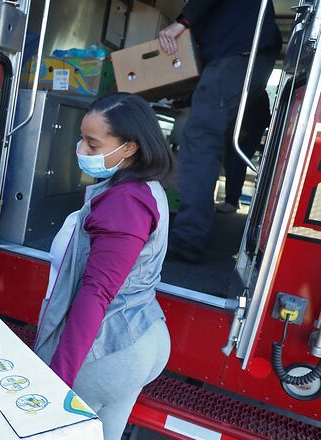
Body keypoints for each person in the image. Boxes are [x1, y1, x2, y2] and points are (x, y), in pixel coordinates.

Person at [34, 93, 173, 440]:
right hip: (141, 333)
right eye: (82, 138)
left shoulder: (125, 205)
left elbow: (96, 293)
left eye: (93, 145)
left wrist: (58, 380)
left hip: (105, 349)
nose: (81, 150)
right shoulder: (143, 187)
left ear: (128, 148)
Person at [158, 0, 282, 262]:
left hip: (237, 50)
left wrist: (181, 22)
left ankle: (188, 238)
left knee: (199, 139)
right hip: (249, 50)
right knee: (207, 134)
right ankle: (192, 228)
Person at [218, 89, 272, 214]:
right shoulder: (255, 91)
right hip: (239, 133)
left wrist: (246, 129)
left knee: (236, 166)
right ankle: (231, 200)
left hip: (247, 135)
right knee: (231, 165)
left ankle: (232, 200)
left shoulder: (256, 93)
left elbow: (262, 118)